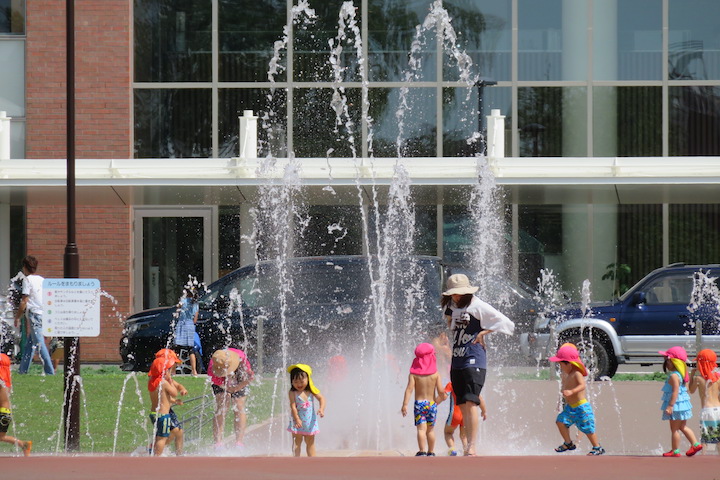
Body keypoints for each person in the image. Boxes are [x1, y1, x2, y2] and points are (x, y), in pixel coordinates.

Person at [441, 273, 514, 456]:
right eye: (453, 293)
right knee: (463, 404)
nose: (456, 296)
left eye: (459, 293)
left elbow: (506, 323)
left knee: (471, 401)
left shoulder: (477, 305)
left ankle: (472, 446)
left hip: (474, 359)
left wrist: (483, 333)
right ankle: (467, 445)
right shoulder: (450, 306)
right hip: (457, 359)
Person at [549, 343, 605, 456]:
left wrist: (571, 391)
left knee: (588, 428)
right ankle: (568, 443)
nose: (560, 367)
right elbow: (564, 388)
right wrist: (561, 399)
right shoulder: (566, 374)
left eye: (561, 365)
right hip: (571, 408)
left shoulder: (576, 373)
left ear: (569, 364)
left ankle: (597, 447)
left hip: (581, 407)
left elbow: (582, 386)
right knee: (560, 421)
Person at [401, 343, 446, 456]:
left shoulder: (414, 374)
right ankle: (431, 451)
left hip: (419, 404)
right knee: (430, 430)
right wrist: (438, 400)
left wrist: (405, 404)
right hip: (431, 404)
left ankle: (422, 451)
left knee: (421, 429)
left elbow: (409, 390)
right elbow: (441, 392)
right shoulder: (435, 374)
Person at [659, 346, 702, 457]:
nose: (666, 363)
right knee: (682, 427)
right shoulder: (682, 375)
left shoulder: (674, 376)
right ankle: (695, 444)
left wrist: (670, 405)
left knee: (674, 429)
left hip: (677, 406)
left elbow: (675, 392)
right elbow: (686, 390)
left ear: (673, 362)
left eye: (667, 360)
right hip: (683, 405)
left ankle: (675, 450)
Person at [14, 256, 54, 375]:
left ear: (25, 267)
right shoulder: (42, 280)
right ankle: (22, 371)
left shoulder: (27, 280)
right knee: (29, 345)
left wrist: (17, 317)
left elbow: (24, 301)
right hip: (44, 313)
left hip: (34, 315)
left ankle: (50, 371)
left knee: (39, 345)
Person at [208, 348, 254, 449]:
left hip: (239, 376)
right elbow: (217, 383)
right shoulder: (214, 366)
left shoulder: (241, 359)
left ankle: (239, 442)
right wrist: (227, 388)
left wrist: (237, 387)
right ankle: (218, 443)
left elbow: (250, 377)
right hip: (221, 382)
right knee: (223, 406)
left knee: (239, 406)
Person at [147, 349, 187, 456]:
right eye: (170, 369)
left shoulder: (153, 380)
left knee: (168, 434)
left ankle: (156, 450)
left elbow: (162, 398)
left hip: (155, 413)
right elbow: (174, 393)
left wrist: (173, 400)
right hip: (163, 415)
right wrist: (170, 382)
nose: (172, 371)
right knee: (162, 437)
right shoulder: (164, 382)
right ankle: (157, 456)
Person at [287, 363, 326, 457]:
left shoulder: (311, 391)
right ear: (291, 381)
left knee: (310, 443)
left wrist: (321, 409)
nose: (299, 384)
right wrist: (296, 419)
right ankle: (296, 461)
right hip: (297, 422)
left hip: (310, 422)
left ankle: (312, 462)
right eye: (295, 382)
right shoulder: (293, 392)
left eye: (301, 381)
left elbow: (322, 398)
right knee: (297, 443)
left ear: (308, 379)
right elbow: (293, 406)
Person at [689, 349, 720, 453]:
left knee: (705, 439)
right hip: (718, 410)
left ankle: (704, 457)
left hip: (707, 411)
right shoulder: (718, 378)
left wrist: (691, 376)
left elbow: (691, 390)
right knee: (718, 439)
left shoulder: (698, 378)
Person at [0, 353, 32, 456]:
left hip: (2, 413)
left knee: (1, 436)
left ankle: (24, 444)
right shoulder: (6, 380)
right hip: (5, 413)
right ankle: (23, 444)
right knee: (1, 436)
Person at [443, 381, 485, 456]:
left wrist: (435, 403)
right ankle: (467, 450)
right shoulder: (471, 386)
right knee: (464, 435)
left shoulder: (452, 384)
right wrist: (484, 411)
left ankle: (452, 449)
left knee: (448, 432)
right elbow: (479, 398)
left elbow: (443, 396)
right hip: (466, 415)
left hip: (455, 414)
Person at [173, 286, 200, 376]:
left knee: (177, 349)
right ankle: (194, 371)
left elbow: (177, 309)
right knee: (190, 349)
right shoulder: (196, 304)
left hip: (182, 324)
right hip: (190, 326)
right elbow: (195, 320)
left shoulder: (183, 301)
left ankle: (173, 370)